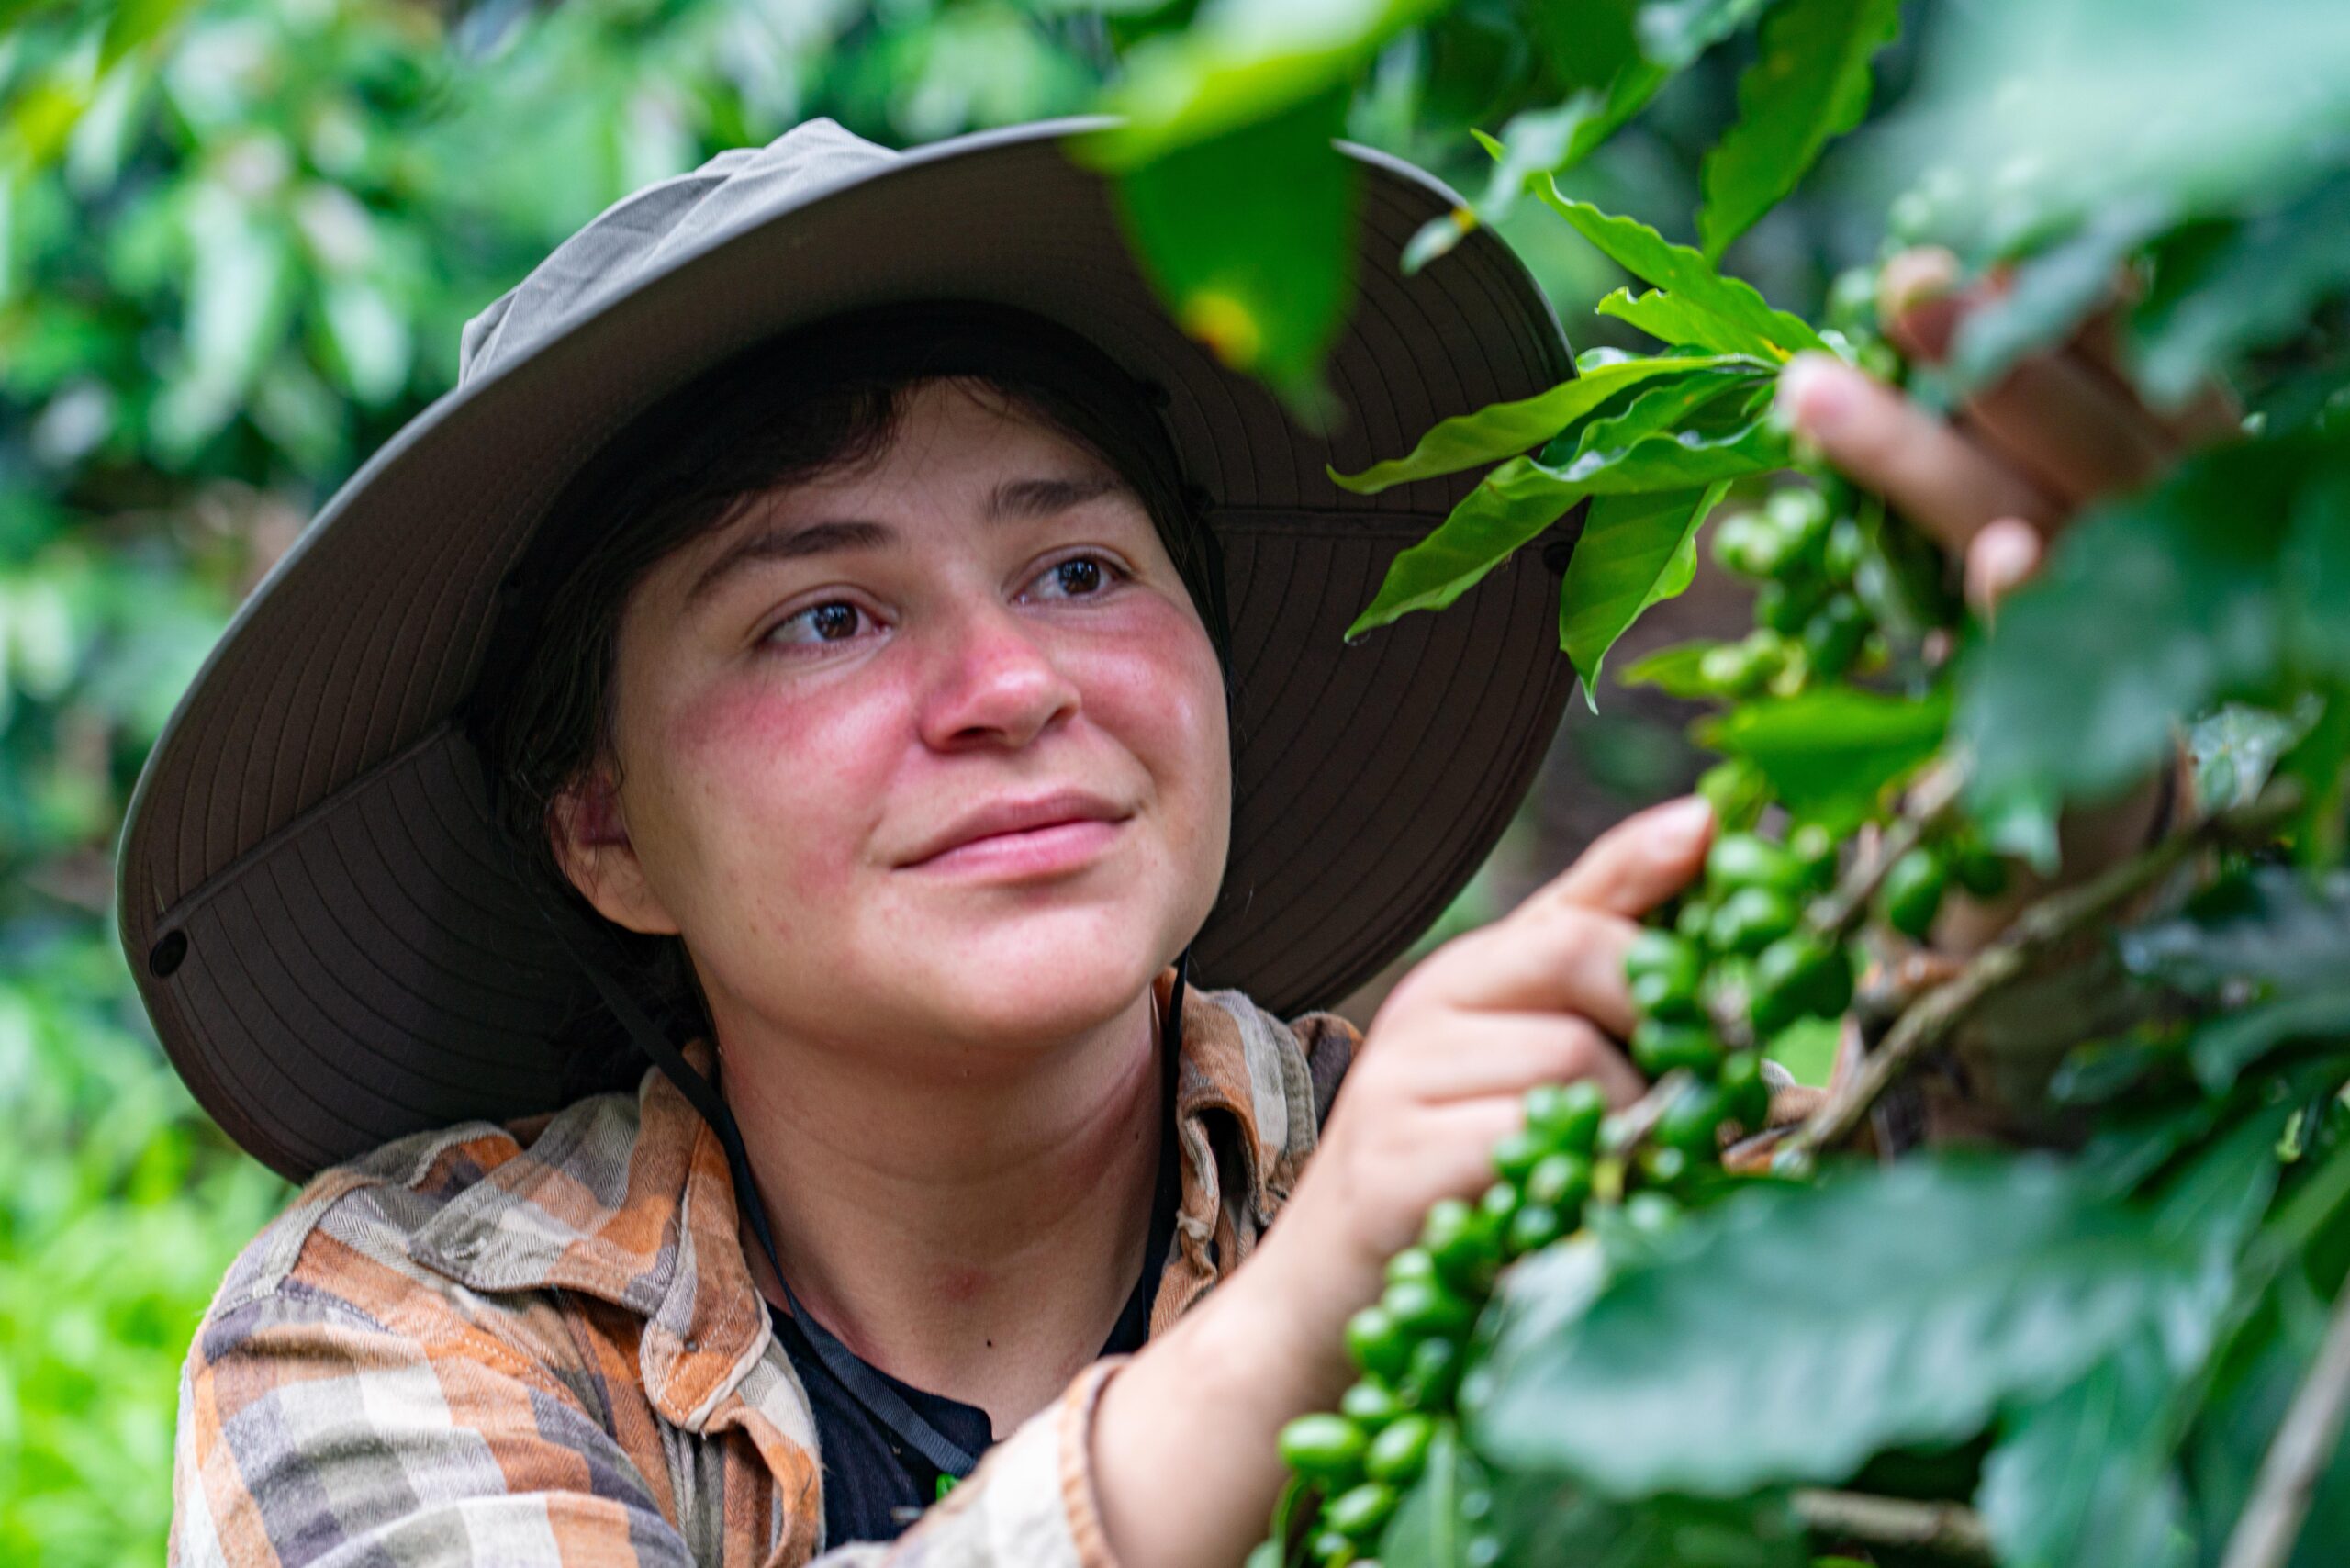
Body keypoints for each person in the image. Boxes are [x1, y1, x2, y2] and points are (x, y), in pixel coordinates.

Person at [126, 117, 2212, 1568]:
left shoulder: (1493, 1156)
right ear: (603, 826)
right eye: (823, 615)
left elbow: (1979, 1336)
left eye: (1079, 570)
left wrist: (2064, 833)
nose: (1007, 684)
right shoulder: (397, 1327)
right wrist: (1294, 1334)